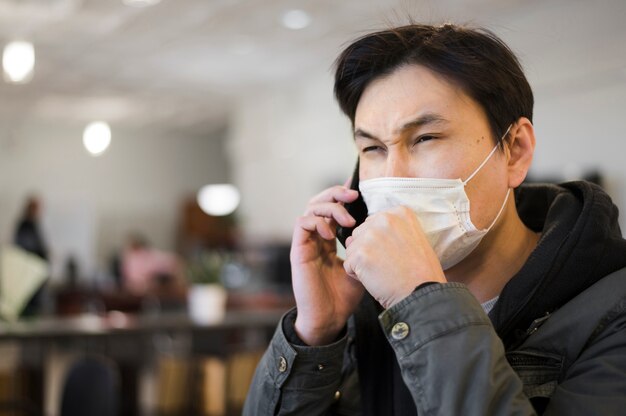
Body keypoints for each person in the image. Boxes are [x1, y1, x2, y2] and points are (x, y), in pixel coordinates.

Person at [243, 23, 626, 415]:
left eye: (425, 138)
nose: (395, 176)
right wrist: (316, 334)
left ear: (514, 152)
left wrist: (421, 303)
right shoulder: (368, 305)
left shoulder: (612, 312)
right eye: (373, 147)